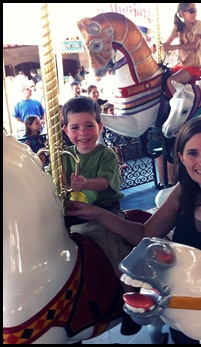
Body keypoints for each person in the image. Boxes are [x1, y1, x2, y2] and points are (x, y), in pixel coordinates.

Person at [67, 116, 201, 343]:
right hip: (187, 314)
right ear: (181, 157)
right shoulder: (183, 193)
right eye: (193, 153)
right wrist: (96, 214)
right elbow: (145, 234)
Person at [59, 96, 140, 335]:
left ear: (100, 126)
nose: (82, 132)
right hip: (71, 218)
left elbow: (106, 183)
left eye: (89, 125)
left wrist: (84, 183)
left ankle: (131, 305)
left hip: (102, 216)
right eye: (75, 127)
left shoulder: (106, 154)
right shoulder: (63, 156)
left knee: (117, 258)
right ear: (65, 130)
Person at [162, 3, 201, 97]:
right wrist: (159, 47)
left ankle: (182, 107)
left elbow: (194, 45)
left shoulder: (198, 24)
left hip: (193, 66)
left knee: (171, 81)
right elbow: (167, 43)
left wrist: (173, 47)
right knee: (161, 78)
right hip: (180, 65)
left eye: (195, 10)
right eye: (192, 11)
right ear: (182, 13)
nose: (195, 13)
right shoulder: (178, 27)